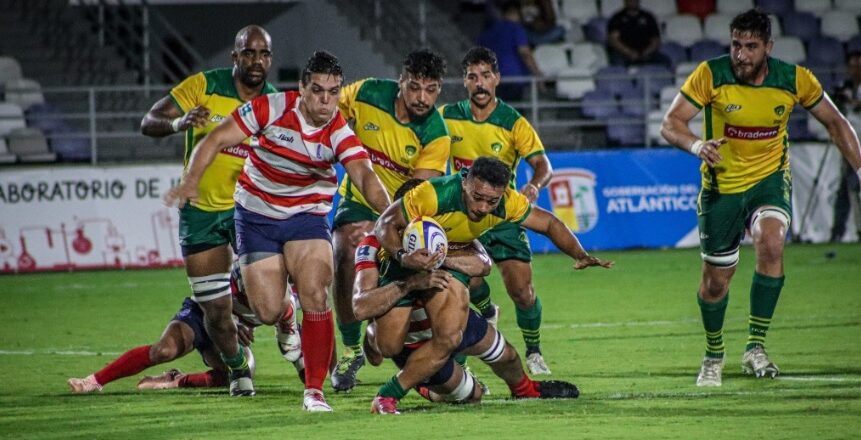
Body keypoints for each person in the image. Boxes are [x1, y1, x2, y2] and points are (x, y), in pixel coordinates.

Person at [165, 50, 391, 411]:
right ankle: (287, 314)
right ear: (302, 88)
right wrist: (191, 181)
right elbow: (215, 140)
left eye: (334, 92)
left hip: (306, 217)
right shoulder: (271, 108)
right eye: (318, 90)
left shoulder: (338, 131)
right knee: (267, 310)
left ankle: (314, 392)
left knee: (316, 290)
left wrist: (392, 214)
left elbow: (364, 174)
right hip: (257, 217)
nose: (325, 100)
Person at [660, 9, 861, 387]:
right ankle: (713, 353)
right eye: (736, 45)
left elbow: (836, 123)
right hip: (722, 188)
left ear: (768, 47)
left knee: (772, 243)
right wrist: (698, 144)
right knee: (716, 282)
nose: (741, 55)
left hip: (770, 180)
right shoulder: (710, 73)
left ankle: (755, 347)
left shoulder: (794, 79)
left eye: (751, 47)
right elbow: (671, 123)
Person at [369, 157, 612, 413]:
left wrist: (579, 254)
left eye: (492, 201)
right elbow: (385, 224)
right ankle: (379, 343)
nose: (483, 207)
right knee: (388, 346)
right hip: (402, 266)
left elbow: (549, 223)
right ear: (466, 183)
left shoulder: (508, 202)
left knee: (451, 337)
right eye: (478, 197)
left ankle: (387, 396)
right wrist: (402, 256)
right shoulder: (433, 194)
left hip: (449, 265)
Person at [140, 25, 277, 398]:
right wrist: (177, 123)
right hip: (201, 212)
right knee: (215, 311)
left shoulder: (276, 104)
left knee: (278, 291)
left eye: (264, 54)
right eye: (248, 52)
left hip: (249, 210)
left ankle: (295, 345)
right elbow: (148, 121)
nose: (256, 61)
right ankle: (236, 369)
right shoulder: (203, 86)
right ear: (235, 57)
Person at [329, 49, 450, 392]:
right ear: (401, 82)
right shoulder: (367, 93)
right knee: (347, 248)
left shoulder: (436, 135)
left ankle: (396, 338)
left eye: (431, 89)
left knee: (385, 347)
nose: (422, 97)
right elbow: (326, 114)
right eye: (414, 87)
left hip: (404, 212)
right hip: (357, 201)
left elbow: (415, 193)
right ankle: (352, 350)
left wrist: (386, 230)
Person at [442, 46, 554, 374]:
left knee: (522, 291)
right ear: (464, 81)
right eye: (473, 76)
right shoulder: (447, 116)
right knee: (460, 283)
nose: (480, 83)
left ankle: (533, 352)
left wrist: (534, 185)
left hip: (503, 218)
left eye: (486, 76)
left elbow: (542, 165)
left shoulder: (513, 122)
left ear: (497, 79)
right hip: (463, 218)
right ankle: (471, 336)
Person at [67, 263, 303, 393]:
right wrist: (234, 320)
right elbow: (210, 295)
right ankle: (93, 381)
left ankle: (177, 380)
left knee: (242, 371)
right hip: (200, 316)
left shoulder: (294, 296)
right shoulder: (251, 270)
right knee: (163, 351)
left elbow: (295, 332)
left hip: (224, 338)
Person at [477, 0, 543, 102]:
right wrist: (537, 73)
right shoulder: (516, 29)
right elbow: (525, 53)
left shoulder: (486, 32)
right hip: (513, 78)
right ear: (515, 11)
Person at [830, 51, 861, 243]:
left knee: (855, 188)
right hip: (850, 146)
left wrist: (854, 103)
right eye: (853, 65)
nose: (856, 69)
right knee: (845, 189)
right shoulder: (846, 87)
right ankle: (837, 232)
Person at [607, 0, 667, 67]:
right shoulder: (617, 18)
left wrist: (647, 52)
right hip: (623, 54)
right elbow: (613, 40)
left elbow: (656, 40)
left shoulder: (648, 17)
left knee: (664, 61)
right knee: (617, 64)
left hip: (646, 53)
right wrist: (629, 52)